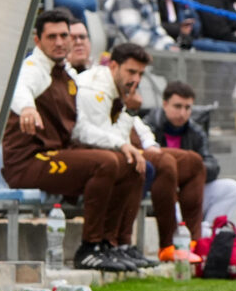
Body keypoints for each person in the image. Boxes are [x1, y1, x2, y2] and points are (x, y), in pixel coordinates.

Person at [1, 10, 144, 272]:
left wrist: (122, 144)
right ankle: (88, 249)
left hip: (57, 156)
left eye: (64, 35)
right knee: (105, 163)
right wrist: (27, 109)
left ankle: (109, 246)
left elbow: (80, 130)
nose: (59, 42)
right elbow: (18, 87)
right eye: (51, 36)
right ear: (38, 39)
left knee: (129, 163)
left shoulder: (67, 75)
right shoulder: (34, 68)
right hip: (28, 163)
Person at [74, 43, 203, 265]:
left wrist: (150, 144)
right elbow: (107, 138)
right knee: (160, 163)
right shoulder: (95, 88)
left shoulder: (119, 85)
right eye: (132, 71)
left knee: (193, 162)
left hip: (124, 145)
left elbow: (137, 125)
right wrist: (132, 112)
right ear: (114, 66)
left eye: (141, 73)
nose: (137, 79)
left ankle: (192, 243)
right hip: (100, 151)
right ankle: (167, 245)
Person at [144, 81, 236, 233]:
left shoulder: (195, 131)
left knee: (232, 189)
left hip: (188, 190)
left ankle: (208, 236)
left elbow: (212, 165)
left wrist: (193, 170)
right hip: (159, 192)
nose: (183, 113)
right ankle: (186, 238)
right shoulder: (147, 128)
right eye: (178, 106)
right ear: (165, 104)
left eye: (188, 107)